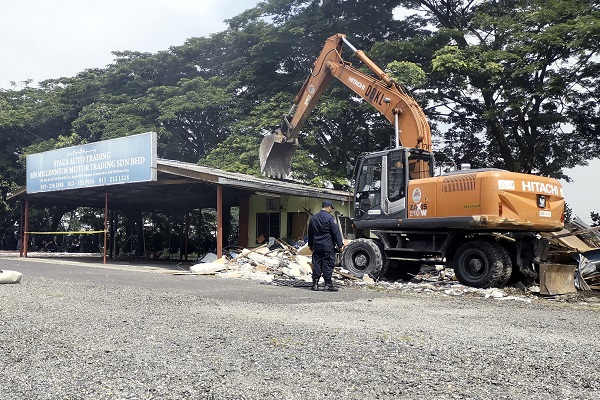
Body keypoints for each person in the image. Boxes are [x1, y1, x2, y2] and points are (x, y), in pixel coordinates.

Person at [308, 200, 344, 291]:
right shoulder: (330, 218)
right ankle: (328, 284)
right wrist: (340, 244)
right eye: (331, 208)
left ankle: (315, 284)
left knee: (317, 264)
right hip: (328, 246)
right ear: (328, 207)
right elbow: (335, 232)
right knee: (328, 263)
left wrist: (310, 244)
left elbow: (310, 233)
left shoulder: (313, 218)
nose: (331, 210)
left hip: (316, 245)